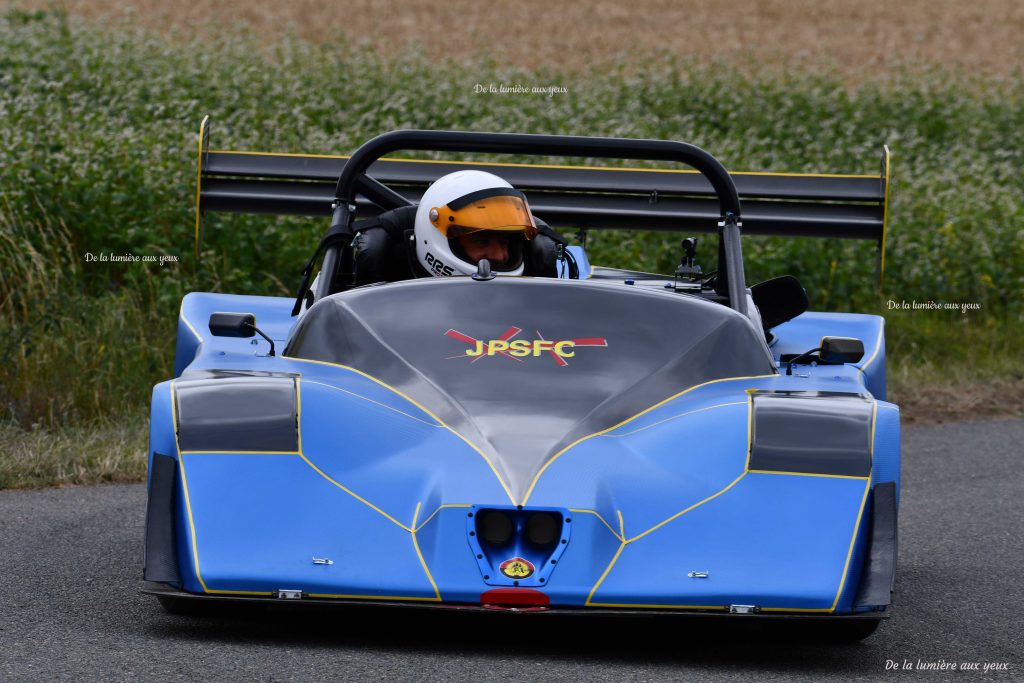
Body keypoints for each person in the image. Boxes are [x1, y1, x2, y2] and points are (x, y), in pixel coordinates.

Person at [354, 170, 569, 284]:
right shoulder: (382, 301)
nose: (501, 255)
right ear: (438, 239)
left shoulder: (537, 303)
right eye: (482, 240)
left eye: (505, 242)